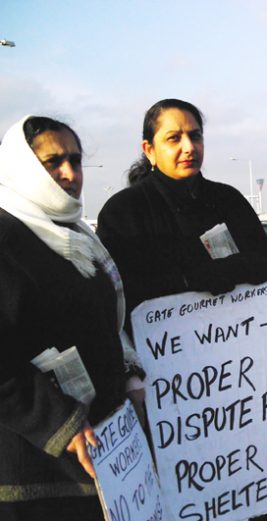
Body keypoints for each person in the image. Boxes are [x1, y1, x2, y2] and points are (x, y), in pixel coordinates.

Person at [97, 99, 267, 521]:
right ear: (148, 149)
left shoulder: (229, 200)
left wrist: (214, 275)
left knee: (257, 491)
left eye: (195, 135)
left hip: (245, 385)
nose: (188, 146)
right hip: (174, 396)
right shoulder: (123, 213)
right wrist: (200, 280)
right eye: (174, 138)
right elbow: (126, 299)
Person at [0, 115, 142, 520]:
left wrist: (128, 379)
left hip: (94, 452)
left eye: (75, 160)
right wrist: (58, 421)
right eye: (53, 162)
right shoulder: (6, 238)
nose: (69, 173)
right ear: (21, 167)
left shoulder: (78, 237)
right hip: (36, 473)